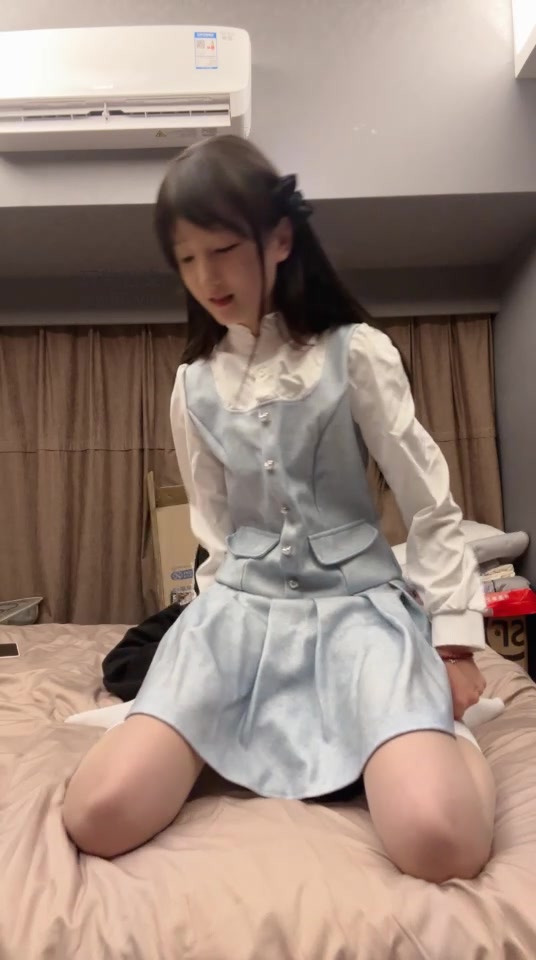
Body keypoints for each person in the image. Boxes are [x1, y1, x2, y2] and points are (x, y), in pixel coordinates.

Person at [63, 135, 495, 881]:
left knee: (439, 844)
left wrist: (453, 646)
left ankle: (443, 739)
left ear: (281, 239)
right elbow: (216, 533)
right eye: (186, 259)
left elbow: (429, 502)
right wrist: (196, 656)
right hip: (240, 614)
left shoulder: (356, 352)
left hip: (359, 614)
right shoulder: (194, 384)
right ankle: (224, 726)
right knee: (97, 816)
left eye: (224, 250)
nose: (207, 277)